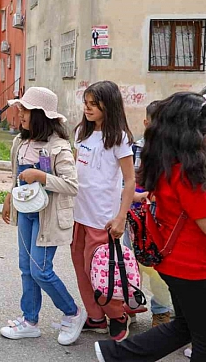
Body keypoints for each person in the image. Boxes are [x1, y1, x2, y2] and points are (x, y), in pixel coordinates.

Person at [94, 92, 206, 362]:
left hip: (175, 263)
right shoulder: (188, 173)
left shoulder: (172, 164)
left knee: (185, 327)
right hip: (192, 268)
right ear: (188, 132)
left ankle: (115, 354)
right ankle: (116, 355)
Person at [0, 87, 87, 345]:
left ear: (39, 115)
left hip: (47, 218)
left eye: (25, 110)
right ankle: (30, 320)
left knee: (41, 270)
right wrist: (9, 196)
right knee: (26, 268)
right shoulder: (20, 142)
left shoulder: (59, 147)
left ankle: (73, 312)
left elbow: (72, 186)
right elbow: (17, 176)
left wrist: (41, 177)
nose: (20, 114)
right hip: (26, 213)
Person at [72, 81, 136, 342]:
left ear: (108, 105)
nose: (87, 108)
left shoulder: (119, 138)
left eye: (93, 104)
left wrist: (121, 216)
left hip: (103, 219)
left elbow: (129, 180)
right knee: (81, 268)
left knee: (100, 272)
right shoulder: (81, 133)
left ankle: (118, 315)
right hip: (79, 215)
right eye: (85, 103)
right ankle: (96, 317)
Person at [126, 100, 174, 327]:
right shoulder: (136, 148)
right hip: (136, 217)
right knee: (131, 263)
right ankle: (130, 306)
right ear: (146, 123)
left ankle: (161, 310)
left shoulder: (174, 152)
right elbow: (130, 180)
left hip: (162, 218)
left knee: (158, 266)